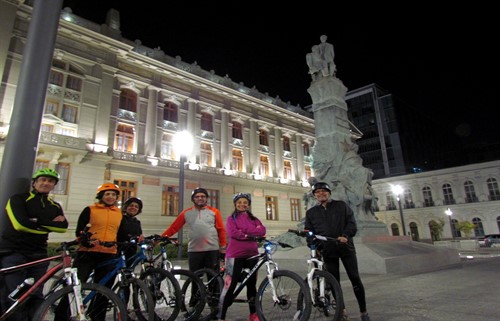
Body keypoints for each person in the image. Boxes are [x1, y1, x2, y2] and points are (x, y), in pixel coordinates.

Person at [0, 168, 68, 321]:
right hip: (14, 252)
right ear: (35, 182)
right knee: (16, 294)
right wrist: (49, 224)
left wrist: (35, 222)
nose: (46, 183)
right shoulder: (18, 199)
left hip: (39, 253)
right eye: (42, 180)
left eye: (50, 181)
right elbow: (20, 225)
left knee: (36, 293)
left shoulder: (55, 206)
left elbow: (63, 228)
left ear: (53, 185)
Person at [304, 182, 371, 321]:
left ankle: (363, 311)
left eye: (324, 191)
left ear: (329, 193)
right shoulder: (311, 213)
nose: (321, 193)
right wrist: (314, 247)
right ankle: (342, 309)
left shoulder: (341, 206)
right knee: (334, 282)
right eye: (317, 192)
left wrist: (346, 236)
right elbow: (309, 233)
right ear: (314, 195)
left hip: (346, 248)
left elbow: (351, 223)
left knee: (355, 278)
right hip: (328, 251)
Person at [62, 182, 123, 321]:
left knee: (104, 290)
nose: (110, 197)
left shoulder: (118, 214)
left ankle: (97, 317)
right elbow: (80, 231)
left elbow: (120, 233)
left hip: (109, 253)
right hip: (87, 253)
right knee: (74, 287)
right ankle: (62, 316)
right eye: (107, 194)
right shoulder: (89, 209)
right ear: (101, 196)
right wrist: (85, 241)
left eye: (113, 194)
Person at [218, 193, 266, 321]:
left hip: (252, 254)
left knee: (251, 285)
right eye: (239, 202)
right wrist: (251, 233)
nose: (242, 204)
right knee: (230, 285)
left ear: (248, 205)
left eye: (245, 202)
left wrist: (245, 233)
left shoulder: (254, 219)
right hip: (235, 255)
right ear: (235, 204)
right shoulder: (231, 219)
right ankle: (221, 316)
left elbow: (262, 231)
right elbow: (233, 233)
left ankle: (253, 314)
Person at [161, 187, 226, 273]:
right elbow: (174, 227)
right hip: (194, 250)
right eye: (197, 196)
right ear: (193, 199)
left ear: (206, 198)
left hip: (212, 250)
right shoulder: (186, 213)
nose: (200, 198)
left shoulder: (215, 212)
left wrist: (223, 247)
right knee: (195, 278)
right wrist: (161, 238)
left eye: (203, 196)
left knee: (213, 279)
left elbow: (221, 230)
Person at [117, 196, 144, 265]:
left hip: (131, 250)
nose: (133, 208)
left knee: (129, 271)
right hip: (119, 249)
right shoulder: (120, 218)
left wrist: (141, 239)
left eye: (136, 207)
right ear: (126, 207)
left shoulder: (137, 222)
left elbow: (139, 235)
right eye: (131, 205)